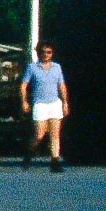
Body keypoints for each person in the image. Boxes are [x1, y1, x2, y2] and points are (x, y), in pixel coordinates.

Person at [21, 43, 69, 173]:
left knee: (55, 134)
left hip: (54, 103)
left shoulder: (56, 67)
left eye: (49, 52)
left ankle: (54, 161)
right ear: (39, 53)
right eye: (43, 52)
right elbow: (24, 85)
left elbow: (62, 85)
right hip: (40, 103)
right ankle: (28, 154)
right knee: (39, 134)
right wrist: (24, 101)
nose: (46, 54)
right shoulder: (32, 67)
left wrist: (65, 102)